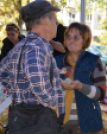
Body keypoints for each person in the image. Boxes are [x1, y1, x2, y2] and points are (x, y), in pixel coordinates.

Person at [0, 1, 64, 134]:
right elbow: (35, 79)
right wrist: (52, 103)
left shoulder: (19, 47)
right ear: (47, 21)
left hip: (22, 120)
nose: (57, 25)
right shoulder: (37, 47)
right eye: (56, 21)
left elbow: (2, 74)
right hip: (40, 122)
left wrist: (19, 89)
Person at [55, 22, 107, 134]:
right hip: (59, 122)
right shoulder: (57, 61)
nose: (71, 40)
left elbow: (101, 93)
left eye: (76, 37)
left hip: (86, 122)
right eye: (68, 36)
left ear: (85, 41)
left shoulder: (94, 61)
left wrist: (81, 86)